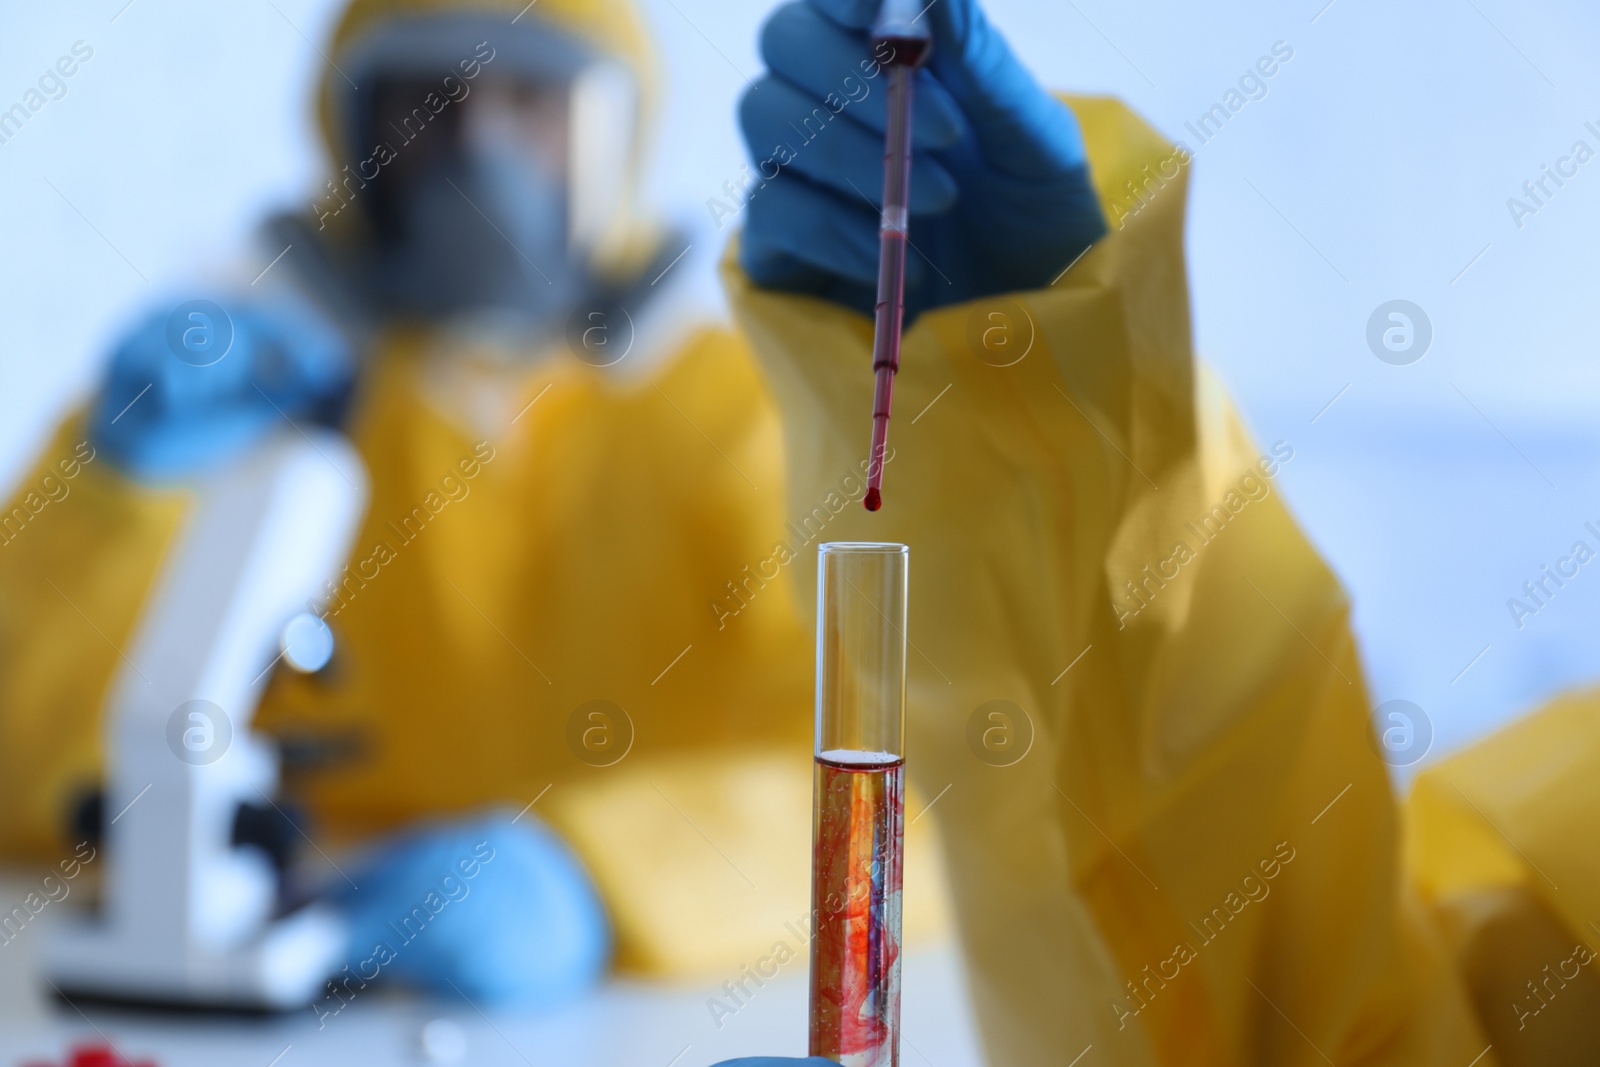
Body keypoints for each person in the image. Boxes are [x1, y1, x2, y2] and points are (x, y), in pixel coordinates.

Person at [1, 0, 1596, 1063]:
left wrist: (595, 872)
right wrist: (116, 499)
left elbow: (891, 776)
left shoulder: (727, 416)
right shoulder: (270, 411)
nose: (476, 155)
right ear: (343, 136)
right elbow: (37, 776)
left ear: (618, 137)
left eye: (529, 110)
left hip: (625, 1009)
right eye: (426, 109)